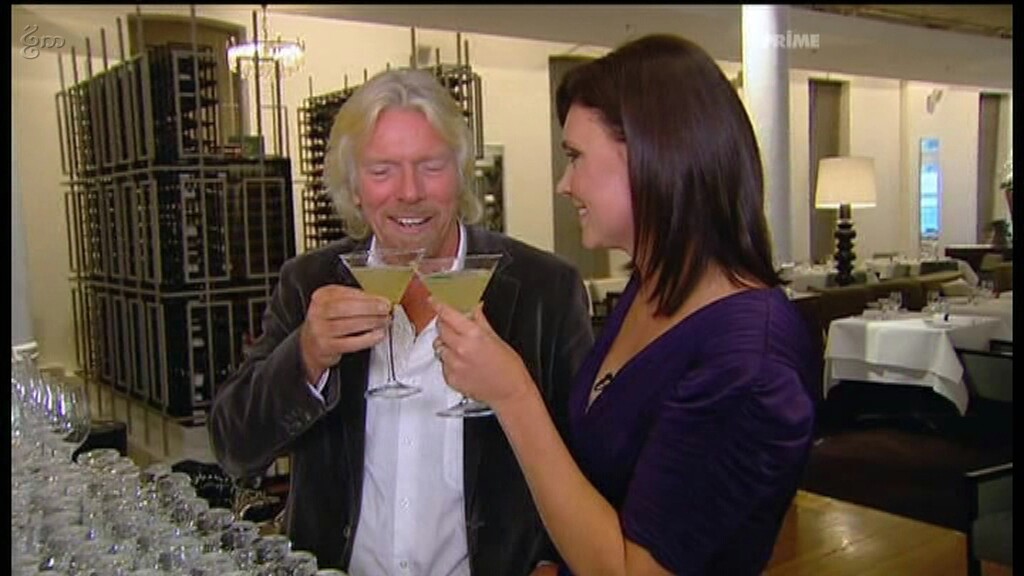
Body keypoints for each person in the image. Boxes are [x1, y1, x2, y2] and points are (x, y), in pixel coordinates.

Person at [430, 34, 818, 575]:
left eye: (575, 158)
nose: (564, 184)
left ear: (653, 156)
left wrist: (512, 393)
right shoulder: (652, 287)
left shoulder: (749, 366)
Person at [208, 68, 594, 576]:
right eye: (382, 170)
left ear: (460, 174)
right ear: (355, 188)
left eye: (431, 166)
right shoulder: (310, 283)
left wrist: (552, 563)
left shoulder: (545, 288)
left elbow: (590, 458)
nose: (409, 192)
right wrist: (306, 356)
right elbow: (234, 448)